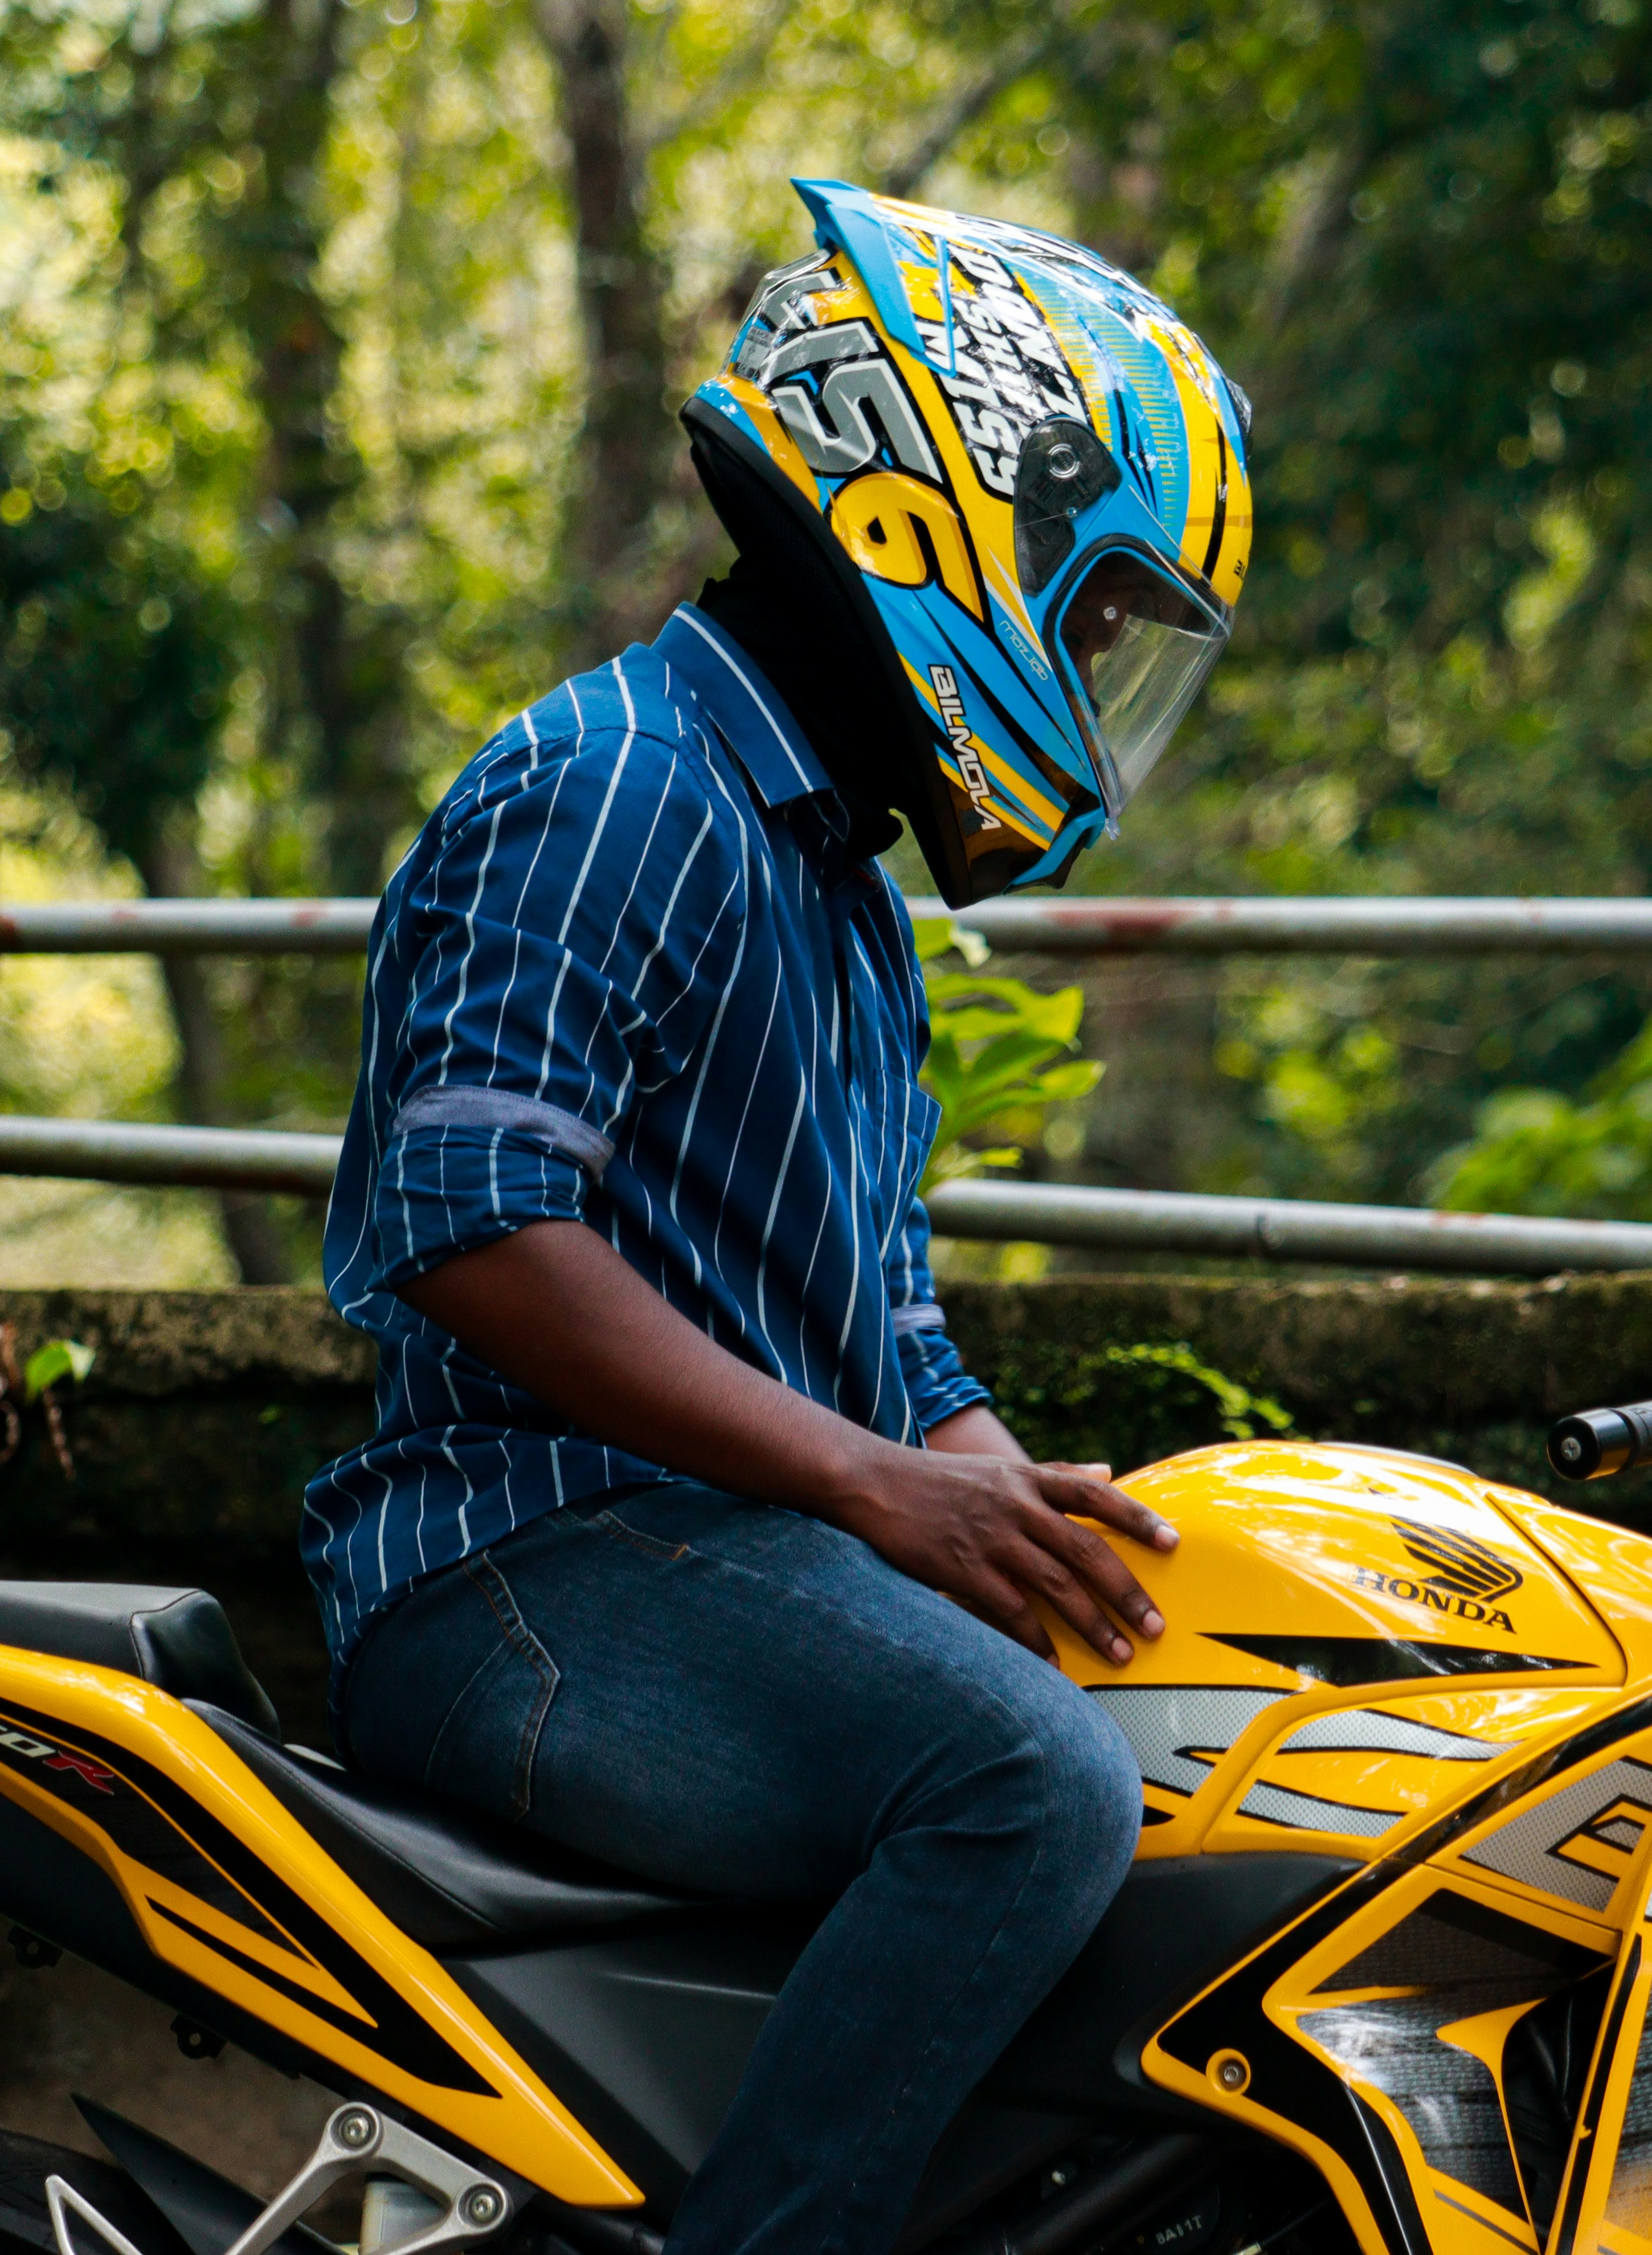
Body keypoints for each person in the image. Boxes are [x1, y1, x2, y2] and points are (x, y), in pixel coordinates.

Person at [302, 179, 1256, 2255]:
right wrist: (869, 1489)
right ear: (952, 524)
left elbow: (882, 1329)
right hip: (524, 1567)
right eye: (1090, 619)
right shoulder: (620, 788)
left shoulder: (827, 873)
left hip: (715, 1557)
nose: (1092, 678)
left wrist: (1009, 1502)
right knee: (1032, 1789)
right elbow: (473, 1225)